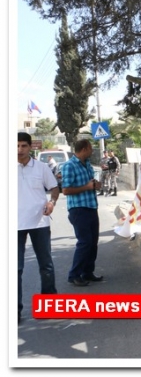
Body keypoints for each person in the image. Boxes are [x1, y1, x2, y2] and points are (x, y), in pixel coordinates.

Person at [17, 132, 59, 324]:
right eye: (16, 146)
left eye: (23, 146)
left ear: (30, 147)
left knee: (46, 265)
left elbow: (54, 188)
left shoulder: (41, 168)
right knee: (15, 269)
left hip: (39, 222)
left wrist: (52, 202)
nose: (19, 150)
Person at [61, 139, 104, 287]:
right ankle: (74, 275)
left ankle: (87, 272)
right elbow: (65, 190)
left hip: (91, 206)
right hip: (78, 209)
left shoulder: (88, 164)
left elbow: (90, 183)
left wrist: (95, 185)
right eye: (90, 148)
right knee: (85, 242)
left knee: (93, 243)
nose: (92, 151)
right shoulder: (69, 166)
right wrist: (87, 187)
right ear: (84, 149)